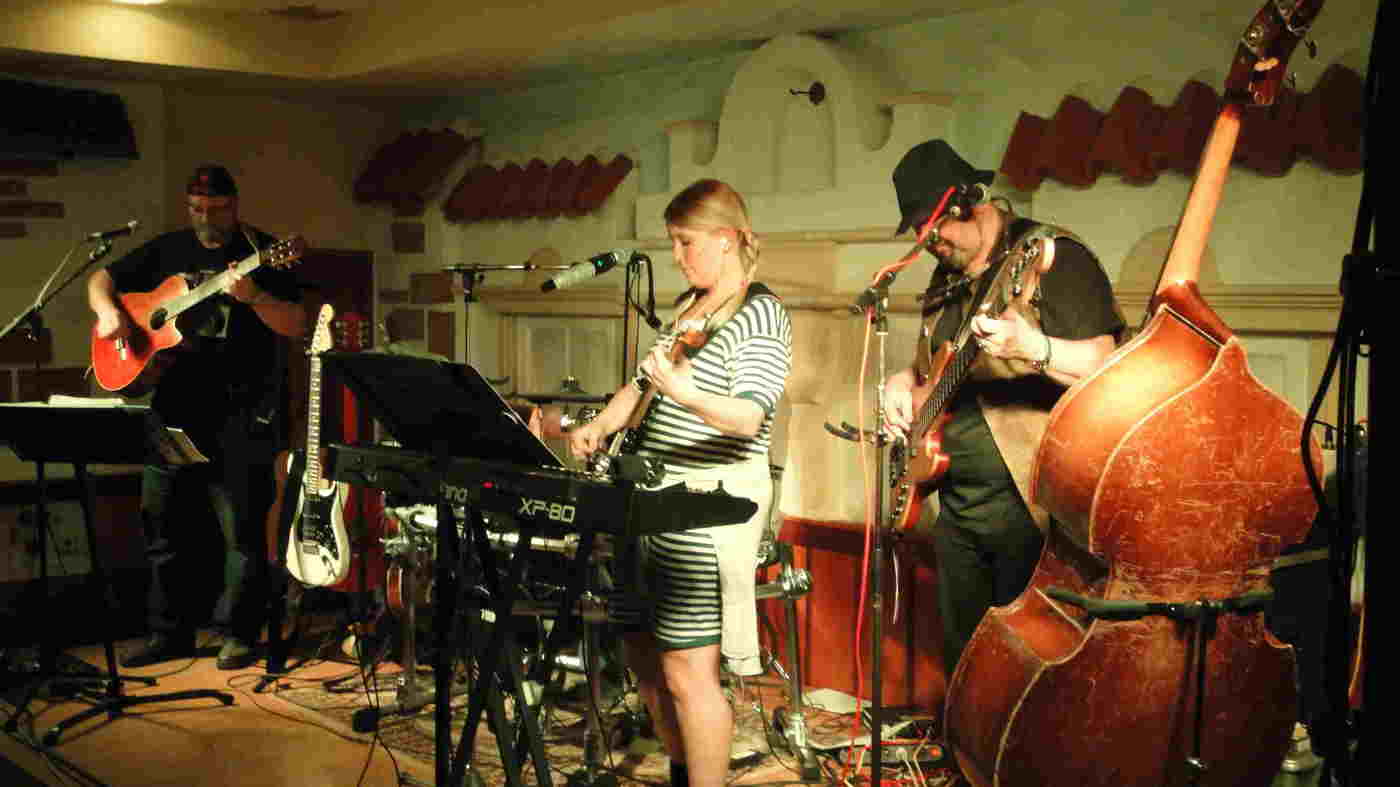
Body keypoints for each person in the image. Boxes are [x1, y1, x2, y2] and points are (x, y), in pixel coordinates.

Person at [568, 179, 791, 787]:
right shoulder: (694, 307)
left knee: (689, 670)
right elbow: (642, 385)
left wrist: (687, 393)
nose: (676, 255)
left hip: (703, 509)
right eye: (672, 242)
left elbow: (748, 417)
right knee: (644, 658)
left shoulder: (759, 313)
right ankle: (683, 771)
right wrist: (601, 424)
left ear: (725, 240)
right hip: (650, 503)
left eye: (685, 242)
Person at [881, 140, 1125, 675]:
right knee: (965, 663)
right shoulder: (947, 278)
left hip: (1032, 506)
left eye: (936, 228)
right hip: (955, 504)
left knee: (1025, 666)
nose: (931, 244)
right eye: (921, 234)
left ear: (970, 203)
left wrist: (1031, 346)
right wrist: (902, 380)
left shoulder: (1051, 257)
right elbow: (934, 369)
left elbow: (1108, 366)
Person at [88, 164, 307, 670]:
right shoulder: (168, 249)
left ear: (235, 205)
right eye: (197, 209)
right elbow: (102, 279)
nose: (206, 218)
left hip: (242, 412)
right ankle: (169, 633)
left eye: (217, 209)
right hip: (173, 411)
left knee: (242, 534)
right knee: (164, 528)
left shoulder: (263, 252)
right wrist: (108, 313)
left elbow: (298, 323)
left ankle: (239, 634)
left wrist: (255, 297)